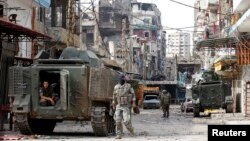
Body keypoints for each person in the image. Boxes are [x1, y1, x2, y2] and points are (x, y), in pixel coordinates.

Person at [112, 74, 136, 139]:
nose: (123, 78)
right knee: (117, 120)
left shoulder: (128, 86)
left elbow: (133, 95)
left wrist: (133, 103)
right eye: (121, 77)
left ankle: (131, 131)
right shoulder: (116, 87)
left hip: (126, 106)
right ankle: (119, 135)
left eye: (123, 77)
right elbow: (114, 96)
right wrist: (113, 103)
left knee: (126, 121)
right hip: (118, 105)